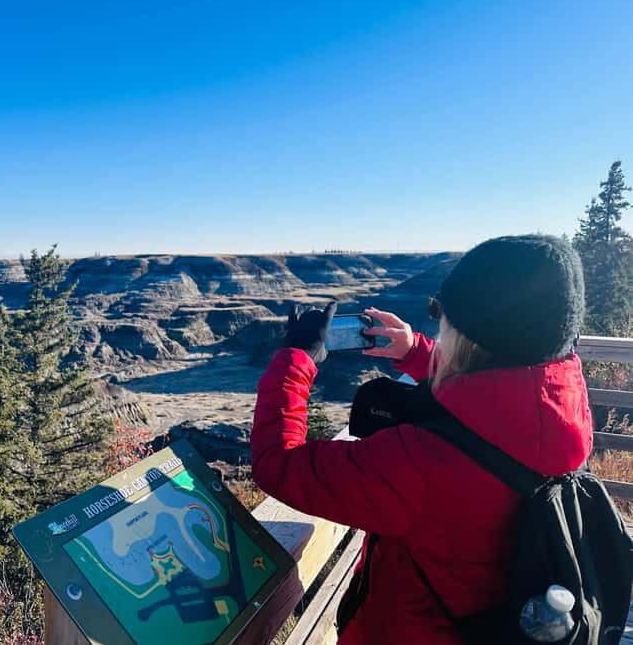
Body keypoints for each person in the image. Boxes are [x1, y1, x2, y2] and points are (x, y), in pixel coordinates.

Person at [251, 235, 592, 645]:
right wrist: (415, 352)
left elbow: (279, 463)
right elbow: (496, 391)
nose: (437, 322)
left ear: (470, 335)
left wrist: (297, 359)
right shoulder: (564, 409)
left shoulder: (420, 462)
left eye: (440, 312)